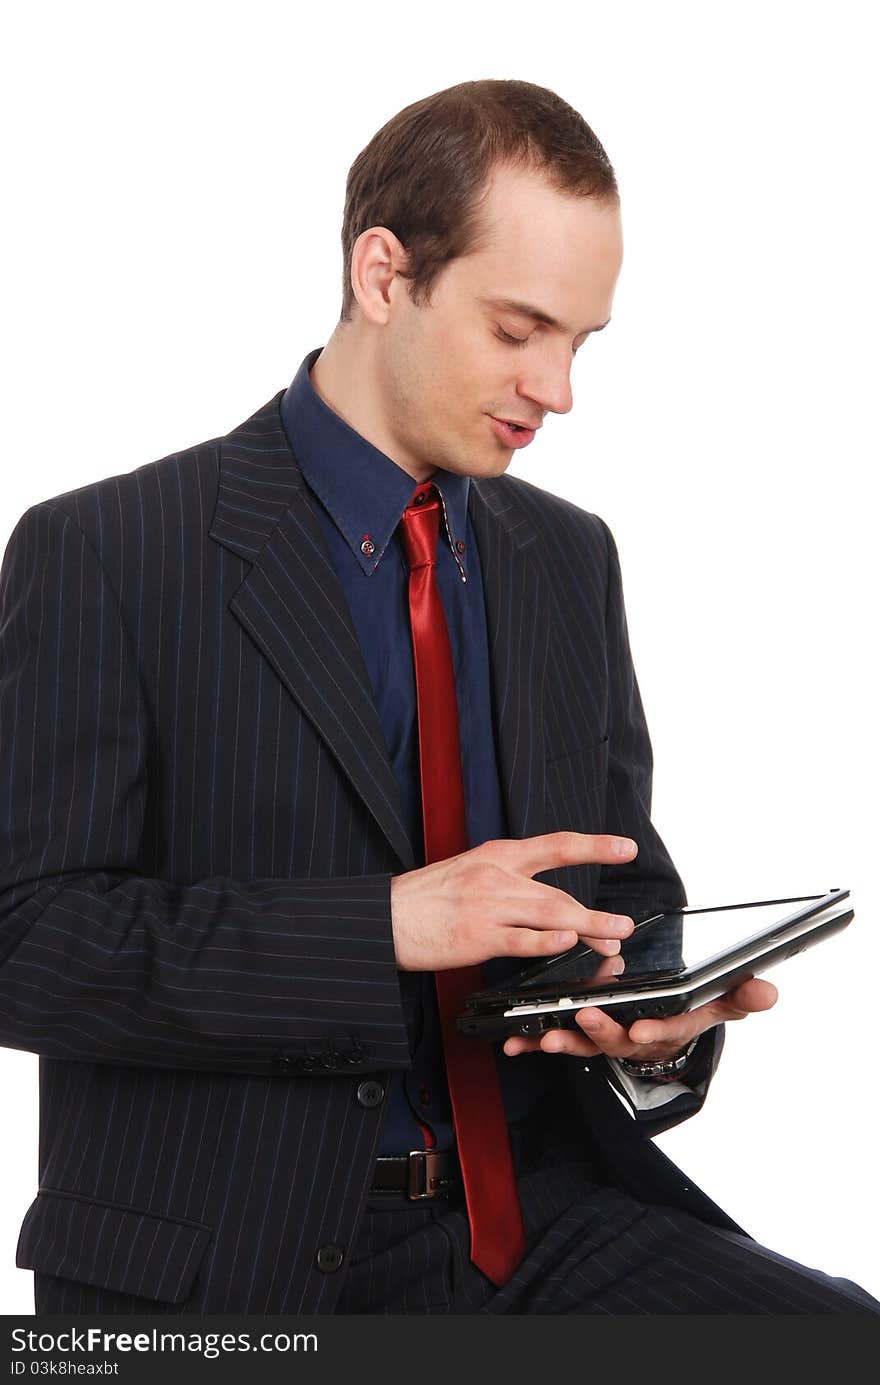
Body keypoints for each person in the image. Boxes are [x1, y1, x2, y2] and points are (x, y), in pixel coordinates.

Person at [0, 77, 875, 1316]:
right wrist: (383, 930)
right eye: (518, 330)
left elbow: (622, 890)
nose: (557, 389)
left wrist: (652, 1023)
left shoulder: (568, 556)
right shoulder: (108, 548)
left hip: (537, 1217)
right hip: (226, 1262)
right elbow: (25, 942)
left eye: (580, 342)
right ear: (382, 274)